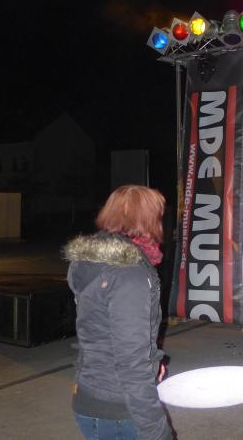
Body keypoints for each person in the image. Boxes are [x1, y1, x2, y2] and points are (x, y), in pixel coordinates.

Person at [65, 185, 173, 440]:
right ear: (148, 220)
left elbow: (99, 330)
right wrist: (157, 431)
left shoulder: (94, 260)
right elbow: (131, 361)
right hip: (118, 411)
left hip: (91, 394)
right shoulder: (129, 272)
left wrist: (153, 361)